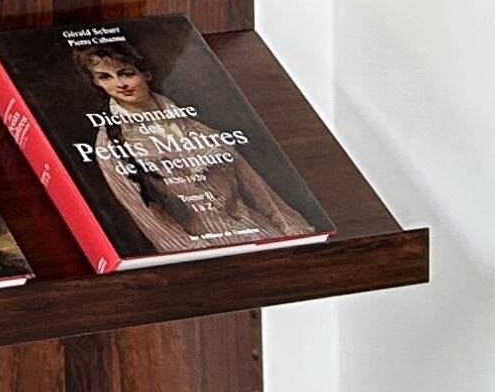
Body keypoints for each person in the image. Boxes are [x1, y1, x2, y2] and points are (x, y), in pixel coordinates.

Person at [69, 37, 314, 253]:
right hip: (207, 251)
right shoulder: (111, 143)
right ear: (97, 83)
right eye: (105, 77)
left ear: (146, 73)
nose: (119, 84)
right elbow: (151, 222)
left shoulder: (195, 122)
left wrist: (292, 230)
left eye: (126, 73)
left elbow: (260, 191)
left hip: (263, 233)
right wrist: (198, 254)